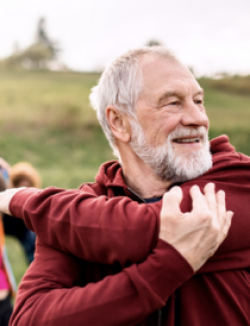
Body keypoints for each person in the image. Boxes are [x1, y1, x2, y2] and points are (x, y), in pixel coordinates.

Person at [0, 47, 249, 325]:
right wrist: (166, 268)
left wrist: (25, 200)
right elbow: (30, 319)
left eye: (199, 100)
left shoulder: (239, 178)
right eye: (173, 103)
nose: (199, 118)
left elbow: (141, 229)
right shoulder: (76, 212)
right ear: (119, 122)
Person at [3, 162, 40, 263]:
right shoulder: (5, 197)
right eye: (19, 188)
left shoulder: (31, 208)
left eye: (27, 189)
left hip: (21, 228)